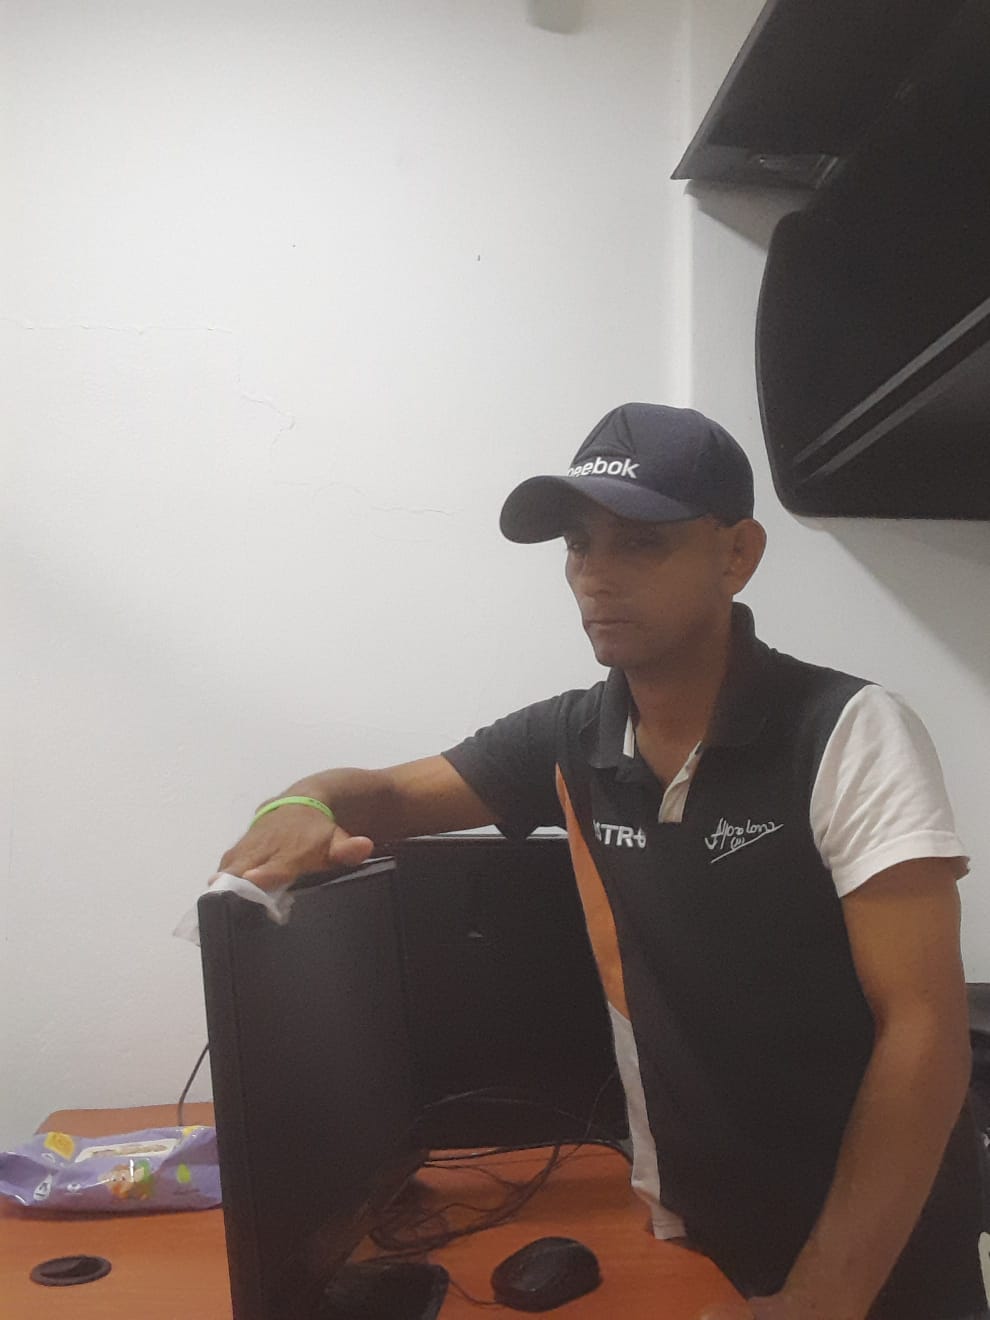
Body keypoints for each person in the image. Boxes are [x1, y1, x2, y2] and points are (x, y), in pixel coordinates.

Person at [218, 404, 987, 1320]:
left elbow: (924, 1031)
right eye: (579, 545)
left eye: (640, 543)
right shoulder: (572, 736)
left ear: (737, 555)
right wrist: (300, 803)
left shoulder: (849, 733)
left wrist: (825, 1296)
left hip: (879, 1254)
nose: (595, 575)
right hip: (704, 1230)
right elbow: (384, 795)